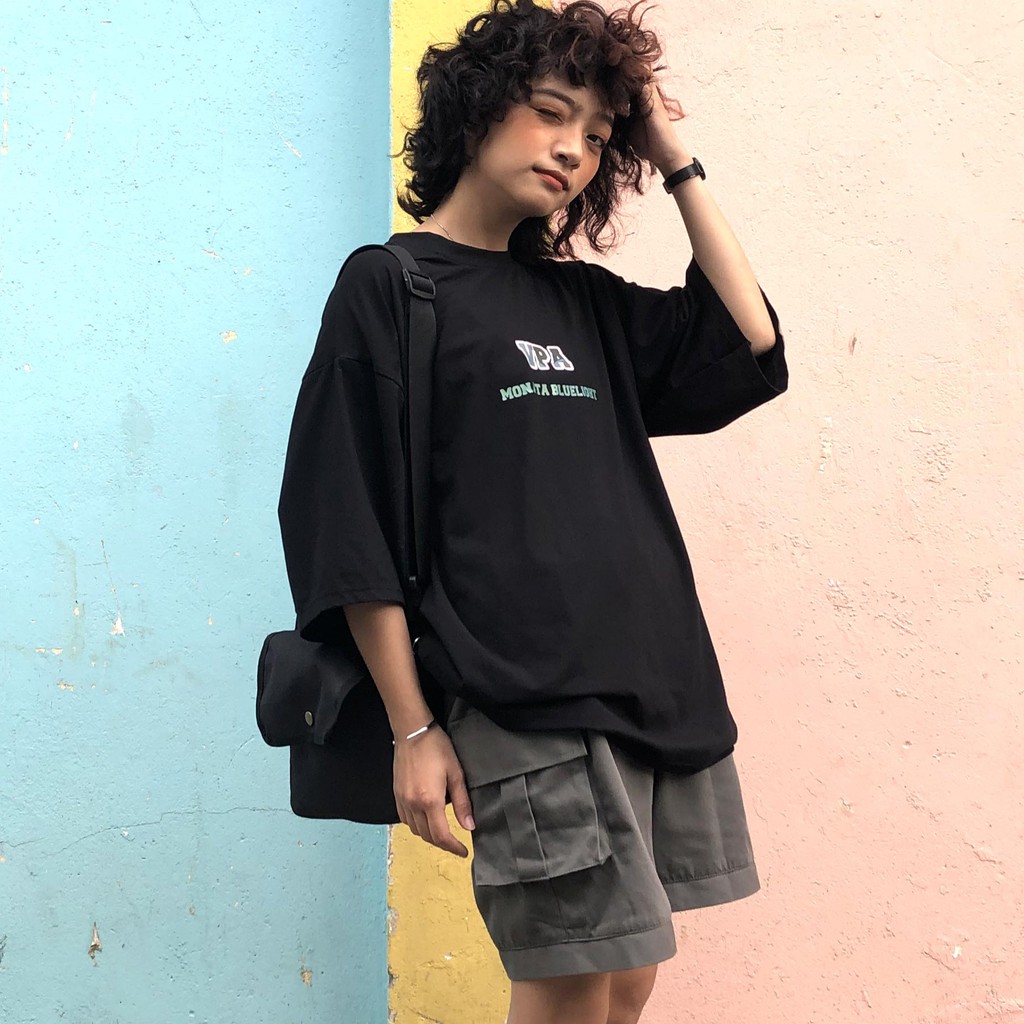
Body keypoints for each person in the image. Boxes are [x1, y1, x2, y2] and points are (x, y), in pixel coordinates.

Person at [277, 1, 788, 1021]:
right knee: (570, 979)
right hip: (518, 698)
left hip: (649, 684)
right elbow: (347, 522)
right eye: (551, 113)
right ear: (476, 109)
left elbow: (750, 344)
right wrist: (413, 727)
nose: (572, 150)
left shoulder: (581, 300)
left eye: (597, 137)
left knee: (628, 975)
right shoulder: (393, 286)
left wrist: (674, 158)